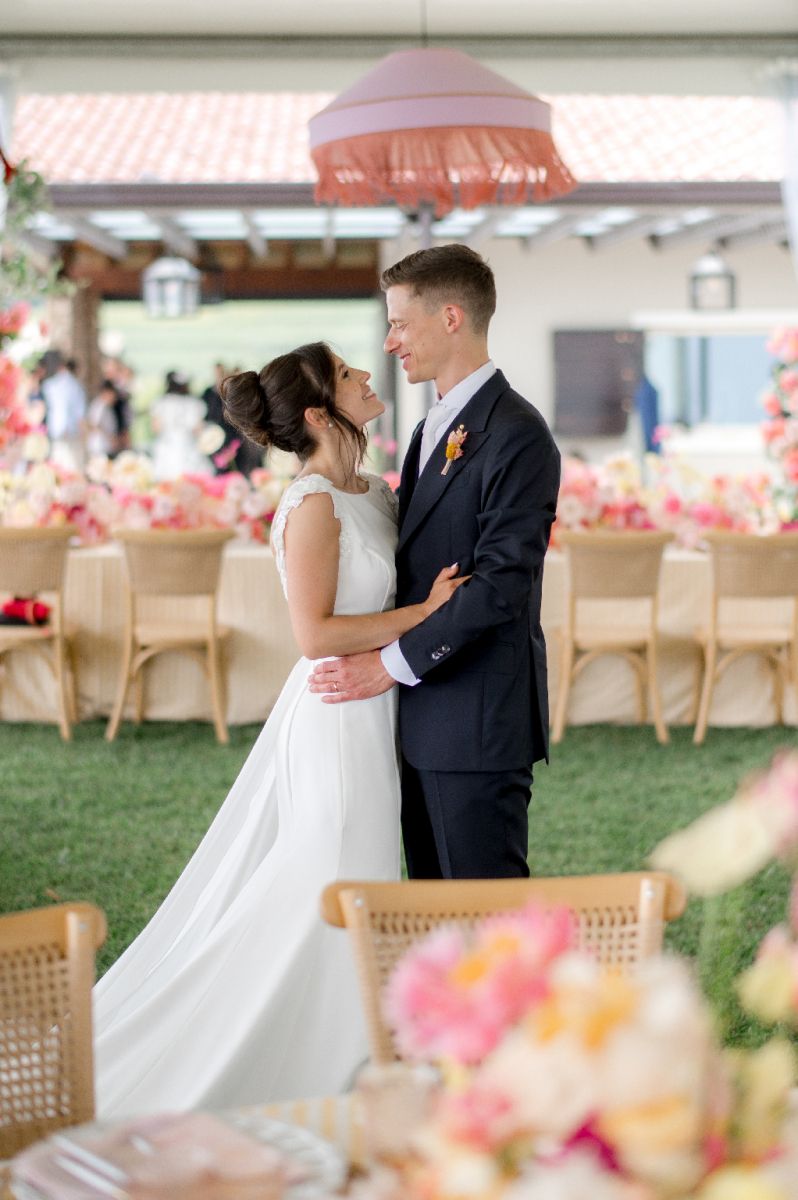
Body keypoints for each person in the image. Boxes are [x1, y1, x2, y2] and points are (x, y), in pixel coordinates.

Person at [93, 342, 465, 1117]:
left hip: (375, 709)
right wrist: (424, 615)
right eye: (349, 374)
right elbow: (316, 633)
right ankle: (316, 1075)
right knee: (333, 877)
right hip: (334, 715)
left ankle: (353, 1057)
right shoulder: (312, 505)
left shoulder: (368, 490)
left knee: (357, 879)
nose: (369, 376)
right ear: (320, 412)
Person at [310, 244, 561, 880]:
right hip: (423, 720)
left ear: (450, 317)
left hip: (476, 720)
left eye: (399, 322)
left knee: (484, 922)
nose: (390, 343)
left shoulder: (519, 433)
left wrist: (390, 665)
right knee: (430, 917)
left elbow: (502, 587)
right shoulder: (430, 429)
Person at [150, 370, 212, 479]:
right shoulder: (194, 403)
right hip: (189, 447)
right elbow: (199, 429)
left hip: (167, 447)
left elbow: (156, 428)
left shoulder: (161, 402)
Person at [42, 351, 87, 472]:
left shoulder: (48, 385)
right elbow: (80, 416)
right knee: (71, 470)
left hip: (54, 432)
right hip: (71, 434)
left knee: (57, 468)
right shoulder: (76, 386)